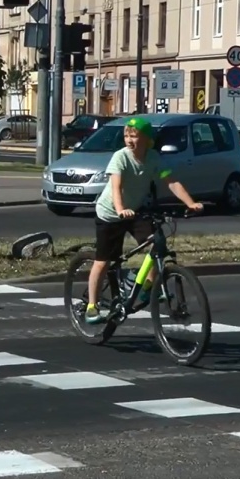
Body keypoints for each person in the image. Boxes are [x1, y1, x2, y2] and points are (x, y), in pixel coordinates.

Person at [85, 117, 203, 324]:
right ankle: (92, 306)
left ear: (147, 139)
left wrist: (191, 203)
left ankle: (148, 288)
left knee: (156, 246)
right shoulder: (120, 157)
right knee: (104, 260)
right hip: (110, 213)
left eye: (134, 136)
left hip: (135, 211)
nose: (129, 140)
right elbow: (116, 186)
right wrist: (121, 209)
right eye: (126, 136)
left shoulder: (153, 158)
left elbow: (172, 182)